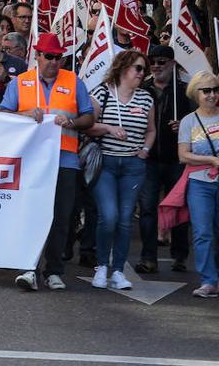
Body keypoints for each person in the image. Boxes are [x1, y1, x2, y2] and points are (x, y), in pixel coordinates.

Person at [0, 33, 94, 292]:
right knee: (30, 215)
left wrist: (72, 122)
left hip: (65, 160)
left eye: (57, 57)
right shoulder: (21, 82)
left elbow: (89, 118)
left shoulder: (74, 82)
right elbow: (2, 116)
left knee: (60, 217)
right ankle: (28, 268)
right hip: (31, 161)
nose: (53, 61)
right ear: (37, 56)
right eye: (48, 56)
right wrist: (25, 114)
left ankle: (53, 270)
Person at [83, 50, 154, 291]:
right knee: (109, 216)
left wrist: (145, 149)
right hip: (106, 163)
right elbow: (88, 125)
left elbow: (151, 130)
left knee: (124, 220)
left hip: (134, 166)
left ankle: (118, 270)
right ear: (123, 68)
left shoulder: (146, 98)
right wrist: (110, 128)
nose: (142, 73)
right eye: (138, 68)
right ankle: (101, 266)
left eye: (144, 69)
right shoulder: (102, 92)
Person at [136, 45, 192, 273]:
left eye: (161, 61)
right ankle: (148, 257)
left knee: (178, 207)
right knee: (148, 208)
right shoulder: (142, 89)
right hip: (149, 159)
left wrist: (184, 126)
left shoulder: (186, 92)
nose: (156, 66)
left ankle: (180, 254)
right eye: (153, 61)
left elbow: (200, 124)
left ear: (172, 64)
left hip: (176, 159)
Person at [176, 72, 219, 297]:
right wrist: (211, 160)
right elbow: (183, 156)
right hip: (199, 184)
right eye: (206, 91)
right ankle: (209, 280)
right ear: (196, 93)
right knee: (203, 232)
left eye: (215, 89)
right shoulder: (188, 121)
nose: (212, 95)